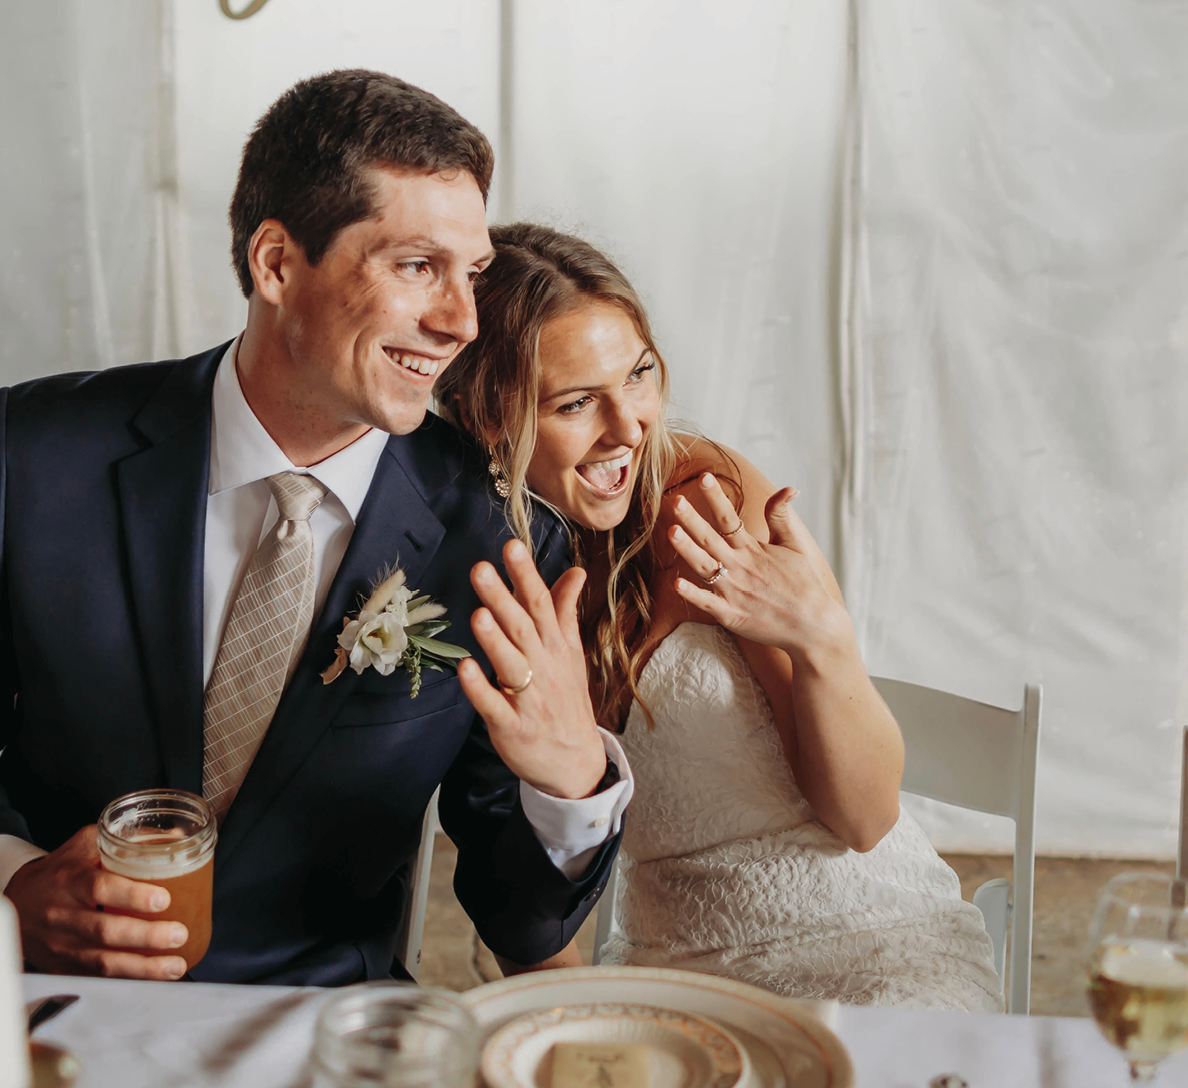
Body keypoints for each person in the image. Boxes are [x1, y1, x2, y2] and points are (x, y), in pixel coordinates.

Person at [0, 73, 632, 986]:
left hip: (326, 1039)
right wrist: (14, 896)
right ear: (277, 264)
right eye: (418, 266)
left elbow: (521, 923)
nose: (461, 322)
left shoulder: (500, 541)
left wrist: (570, 781)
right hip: (44, 1015)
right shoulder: (31, 456)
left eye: (475, 274)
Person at [436, 223, 1004, 1010]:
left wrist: (824, 641)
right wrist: (566, 1023)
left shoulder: (704, 499)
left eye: (638, 375)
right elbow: (511, 870)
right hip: (670, 966)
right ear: (491, 417)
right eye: (576, 402)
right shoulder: (472, 568)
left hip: (872, 941)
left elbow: (865, 820)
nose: (629, 426)